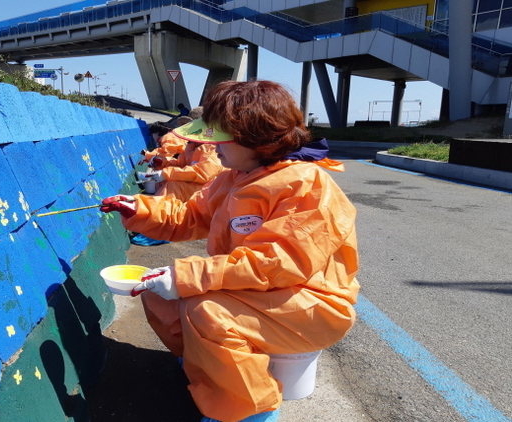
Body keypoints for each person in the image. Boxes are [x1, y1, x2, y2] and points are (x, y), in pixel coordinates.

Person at [100, 80, 359, 422]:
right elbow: (190, 215)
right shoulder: (234, 177)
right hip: (263, 293)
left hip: (311, 303)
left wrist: (185, 276)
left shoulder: (305, 185)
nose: (211, 144)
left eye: (220, 134)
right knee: (158, 297)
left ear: (254, 137)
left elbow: (276, 262)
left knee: (207, 312)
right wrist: (141, 209)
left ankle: (248, 411)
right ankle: (209, 370)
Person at [149, 137, 224, 201]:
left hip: (207, 188)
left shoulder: (212, 149)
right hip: (194, 183)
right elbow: (180, 164)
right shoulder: (191, 146)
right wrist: (162, 163)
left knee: (174, 186)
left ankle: (157, 213)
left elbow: (203, 173)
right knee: (162, 181)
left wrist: (166, 173)